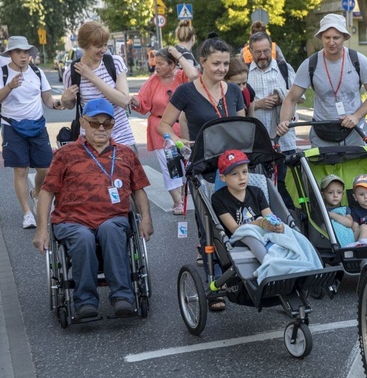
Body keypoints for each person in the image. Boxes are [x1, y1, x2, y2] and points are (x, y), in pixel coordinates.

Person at [31, 99, 153, 319]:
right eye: (94, 122)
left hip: (113, 218)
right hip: (72, 220)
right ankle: (85, 301)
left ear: (113, 125)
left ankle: (122, 297)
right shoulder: (65, 155)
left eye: (107, 123)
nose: (100, 128)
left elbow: (139, 190)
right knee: (83, 238)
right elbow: (47, 192)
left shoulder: (125, 153)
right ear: (82, 123)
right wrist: (41, 230)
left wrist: (146, 218)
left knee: (111, 230)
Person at [158, 35, 246, 287]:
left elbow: (241, 127)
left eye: (226, 64)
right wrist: (176, 140)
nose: (222, 69)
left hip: (233, 167)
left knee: (237, 219)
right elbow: (164, 125)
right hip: (203, 167)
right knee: (208, 224)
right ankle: (215, 278)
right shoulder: (187, 91)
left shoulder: (236, 91)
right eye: (216, 64)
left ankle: (241, 272)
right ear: (203, 62)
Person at [277, 14, 367, 147]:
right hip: (322, 132)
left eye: (336, 38)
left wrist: (356, 116)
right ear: (321, 37)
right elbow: (291, 98)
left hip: (354, 132)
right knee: (321, 168)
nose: (331, 42)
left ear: (344, 37)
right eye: (327, 37)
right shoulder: (310, 64)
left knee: (355, 167)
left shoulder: (358, 60)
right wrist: (284, 121)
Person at [0, 36, 65, 229]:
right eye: (19, 52)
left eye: (26, 52)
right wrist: (10, 86)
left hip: (37, 125)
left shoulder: (37, 72)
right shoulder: (2, 73)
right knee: (21, 169)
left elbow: (47, 98)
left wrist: (56, 104)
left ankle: (36, 193)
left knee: (45, 168)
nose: (23, 56)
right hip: (12, 126)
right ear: (10, 54)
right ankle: (27, 213)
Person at [129, 47, 199, 214]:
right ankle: (177, 201)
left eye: (161, 64)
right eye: (156, 64)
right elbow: (142, 98)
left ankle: (184, 193)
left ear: (172, 64)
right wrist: (133, 100)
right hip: (161, 128)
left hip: (183, 126)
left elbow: (195, 75)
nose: (156, 67)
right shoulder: (153, 80)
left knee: (187, 163)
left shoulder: (182, 76)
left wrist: (178, 55)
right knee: (171, 164)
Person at [60, 21, 137, 149]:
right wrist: (65, 100)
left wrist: (92, 77)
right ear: (85, 46)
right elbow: (71, 105)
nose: (104, 50)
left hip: (121, 137)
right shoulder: (72, 72)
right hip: (91, 141)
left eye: (105, 45)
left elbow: (124, 100)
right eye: (98, 46)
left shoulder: (115, 63)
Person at [248, 31, 298, 207]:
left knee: (288, 189)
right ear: (250, 51)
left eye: (266, 51)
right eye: (258, 52)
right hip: (258, 143)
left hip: (285, 142)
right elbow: (237, 104)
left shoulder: (284, 69)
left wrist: (282, 97)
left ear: (272, 49)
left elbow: (299, 97)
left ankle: (292, 223)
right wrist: (259, 103)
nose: (263, 56)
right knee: (260, 187)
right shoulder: (245, 73)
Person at [211, 149, 283, 266]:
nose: (241, 177)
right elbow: (234, 228)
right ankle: (269, 265)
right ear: (223, 178)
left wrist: (275, 224)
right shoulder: (218, 199)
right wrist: (259, 223)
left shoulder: (257, 192)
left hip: (263, 231)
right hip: (240, 237)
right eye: (235, 174)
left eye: (245, 172)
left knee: (284, 230)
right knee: (249, 234)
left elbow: (268, 215)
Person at [319, 174, 354, 246]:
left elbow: (349, 223)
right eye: (330, 192)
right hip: (331, 242)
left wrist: (331, 214)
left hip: (349, 237)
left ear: (342, 195)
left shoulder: (344, 209)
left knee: (364, 227)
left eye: (339, 192)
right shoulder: (320, 210)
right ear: (322, 195)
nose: (335, 195)